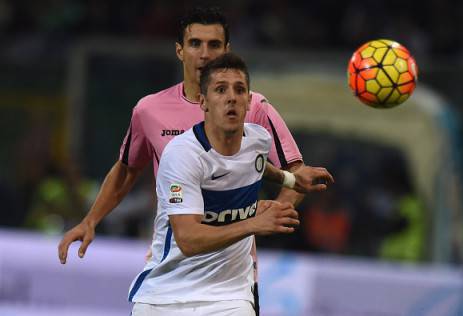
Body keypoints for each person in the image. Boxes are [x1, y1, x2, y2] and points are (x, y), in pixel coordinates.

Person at [58, 6, 333, 313]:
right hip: (172, 269)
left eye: (214, 45)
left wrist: (274, 211)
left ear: (226, 50)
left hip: (233, 282)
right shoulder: (150, 111)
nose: (205, 54)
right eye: (195, 44)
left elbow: (295, 173)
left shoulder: (253, 106)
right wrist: (91, 220)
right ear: (179, 51)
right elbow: (126, 170)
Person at [130, 52, 301, 316]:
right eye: (220, 90)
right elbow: (188, 239)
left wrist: (292, 179)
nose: (231, 97)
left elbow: (253, 163)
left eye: (239, 90)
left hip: (229, 297)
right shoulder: (181, 155)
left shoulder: (259, 141)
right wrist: (254, 221)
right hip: (166, 296)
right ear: (203, 102)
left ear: (248, 102)